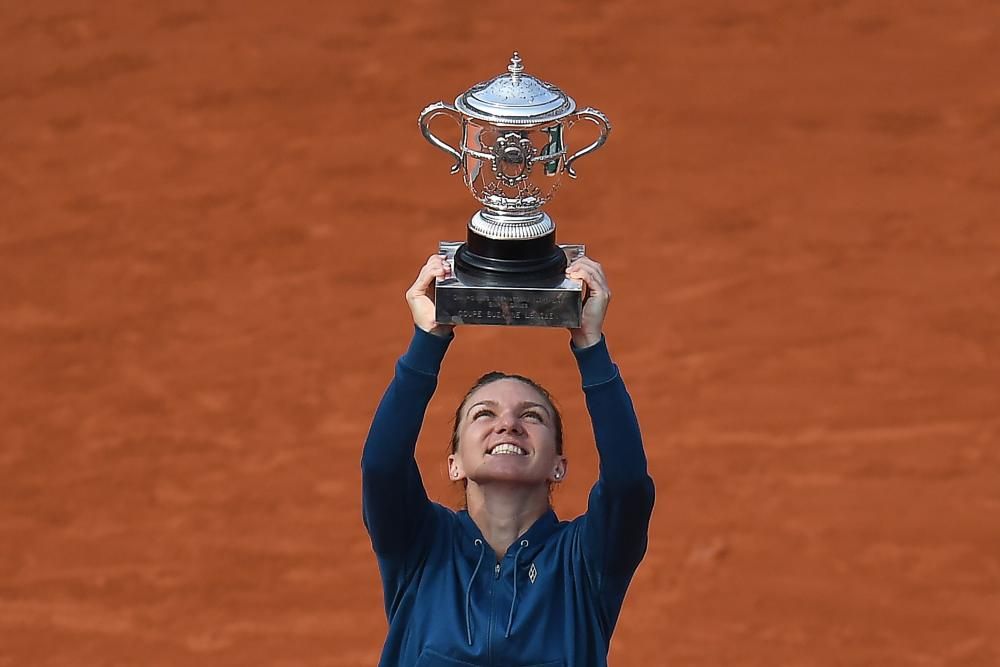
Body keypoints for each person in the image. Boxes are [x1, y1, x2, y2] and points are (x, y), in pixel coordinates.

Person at [361, 254, 655, 667]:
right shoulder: (422, 547)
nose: (508, 425)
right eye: (484, 414)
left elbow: (627, 484)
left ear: (559, 463)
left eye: (531, 416)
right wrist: (427, 339)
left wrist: (591, 346)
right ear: (454, 463)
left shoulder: (585, 560)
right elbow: (382, 467)